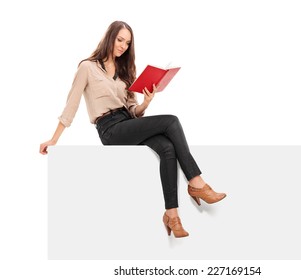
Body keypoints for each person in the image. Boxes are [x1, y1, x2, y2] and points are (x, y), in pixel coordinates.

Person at [39, 20, 226, 238]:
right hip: (109, 128)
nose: (123, 46)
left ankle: (171, 215)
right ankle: (196, 183)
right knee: (171, 121)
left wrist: (146, 102)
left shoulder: (125, 70)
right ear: (110, 37)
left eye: (127, 43)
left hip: (128, 122)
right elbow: (71, 104)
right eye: (120, 40)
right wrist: (54, 139)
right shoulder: (87, 67)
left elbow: (133, 110)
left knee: (167, 148)